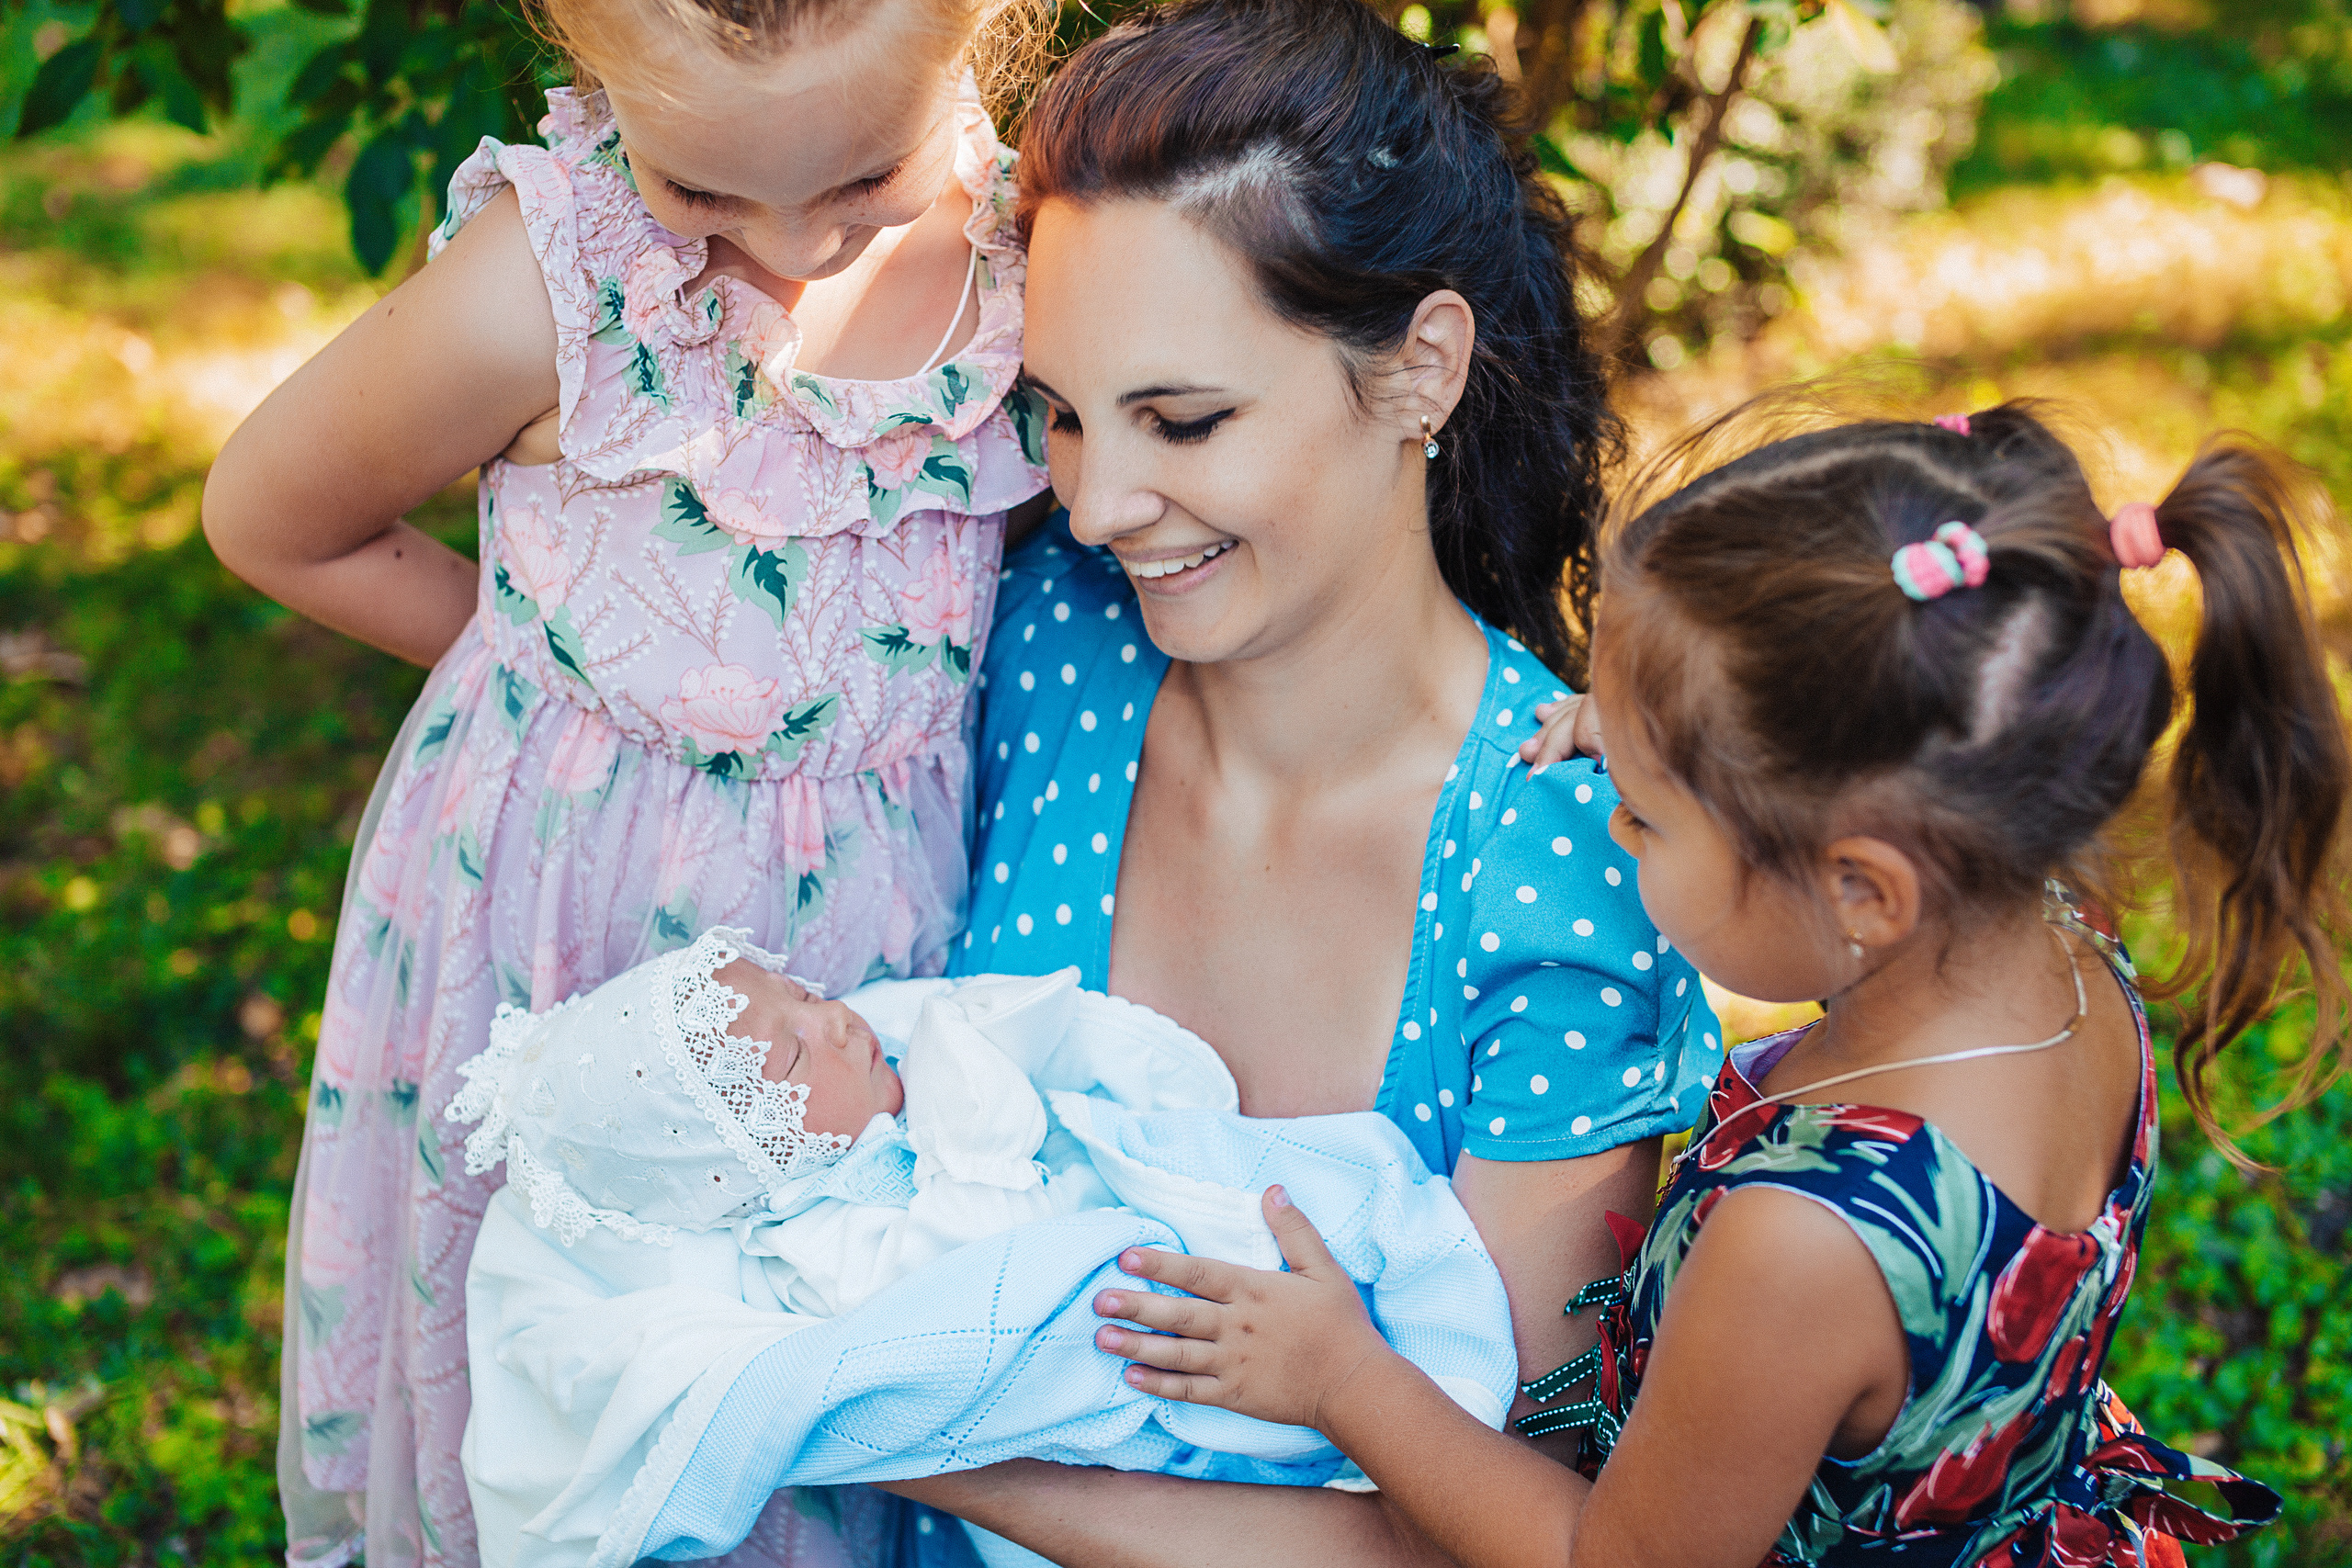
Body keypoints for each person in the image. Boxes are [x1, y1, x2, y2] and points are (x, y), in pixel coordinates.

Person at [758, 1, 1713, 1561]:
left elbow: (1490, 1521)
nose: (1097, 503)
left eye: (1183, 418)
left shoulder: (1563, 863)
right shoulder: (1053, 653)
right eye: (1062, 413)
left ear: (1421, 370)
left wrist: (890, 1436)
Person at [1084, 401, 2347, 1566]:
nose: (1610, 829)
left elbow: (1608, 1554)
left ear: (1863, 891)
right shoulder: (2040, 936)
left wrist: (1340, 1377)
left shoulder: (1802, 1244)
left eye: (1643, 813)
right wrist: (1662, 735)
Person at [198, 0, 1054, 1557]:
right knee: (578, 1371)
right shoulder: (552, 285)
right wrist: (552, 666)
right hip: (568, 938)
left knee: (818, 1372)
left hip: (876, 948)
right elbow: (273, 515)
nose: (795, 249)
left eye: (864, 182)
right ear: (592, 60)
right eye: (709, 197)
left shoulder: (1030, 266)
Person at [444, 929, 1520, 1567]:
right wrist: (970, 1105)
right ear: (738, 1157)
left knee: (1339, 1194)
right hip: (1142, 1350)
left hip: (1189, 1229)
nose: (837, 1021)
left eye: (806, 996)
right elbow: (975, 1276)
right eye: (791, 1046)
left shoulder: (897, 1069)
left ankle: (1438, 1394)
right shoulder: (820, 1247)